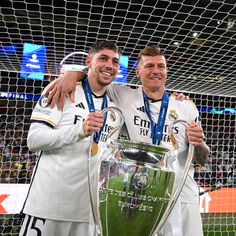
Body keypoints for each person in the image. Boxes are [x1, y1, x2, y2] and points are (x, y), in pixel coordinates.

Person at [45, 45, 210, 236]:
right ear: (137, 72)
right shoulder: (123, 96)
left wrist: (199, 144)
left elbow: (203, 159)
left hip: (182, 196)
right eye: (149, 66)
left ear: (166, 71)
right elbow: (97, 78)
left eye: (161, 66)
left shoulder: (186, 106)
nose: (156, 71)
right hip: (141, 198)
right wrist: (72, 75)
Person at [19, 40, 122, 236]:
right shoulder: (62, 89)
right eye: (103, 59)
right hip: (48, 208)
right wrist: (80, 130)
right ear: (88, 61)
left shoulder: (116, 106)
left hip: (89, 214)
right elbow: (34, 140)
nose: (110, 65)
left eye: (115, 61)